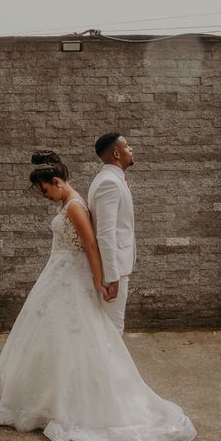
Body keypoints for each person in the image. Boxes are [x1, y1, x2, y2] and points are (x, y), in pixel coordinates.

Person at [0, 150, 197, 441]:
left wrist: (100, 281)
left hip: (71, 279)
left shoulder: (74, 207)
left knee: (73, 336)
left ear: (56, 181)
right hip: (57, 276)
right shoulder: (66, 203)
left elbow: (91, 245)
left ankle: (63, 401)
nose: (45, 196)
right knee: (48, 336)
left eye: (45, 190)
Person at [88, 133, 136, 336]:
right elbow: (106, 234)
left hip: (115, 267)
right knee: (113, 330)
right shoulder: (109, 183)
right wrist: (112, 276)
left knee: (109, 329)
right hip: (113, 270)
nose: (131, 149)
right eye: (127, 146)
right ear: (116, 152)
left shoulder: (111, 179)